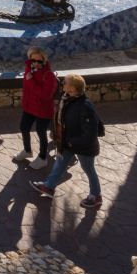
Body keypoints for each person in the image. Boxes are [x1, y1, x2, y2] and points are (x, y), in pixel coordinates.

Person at [33, 74, 104, 208]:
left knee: (88, 169)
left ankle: (96, 196)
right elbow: (62, 119)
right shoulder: (67, 98)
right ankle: (49, 187)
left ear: (72, 88)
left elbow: (90, 134)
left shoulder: (85, 107)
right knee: (60, 163)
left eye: (64, 82)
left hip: (83, 146)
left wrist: (72, 142)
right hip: (68, 142)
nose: (62, 83)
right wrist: (57, 134)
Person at [14, 48, 57, 170]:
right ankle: (27, 150)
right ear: (30, 59)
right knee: (24, 127)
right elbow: (26, 87)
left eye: (39, 61)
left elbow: (45, 95)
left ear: (44, 60)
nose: (36, 63)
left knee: (41, 132)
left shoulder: (49, 75)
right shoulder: (29, 68)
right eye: (33, 60)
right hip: (30, 105)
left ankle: (43, 158)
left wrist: (31, 80)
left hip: (43, 108)